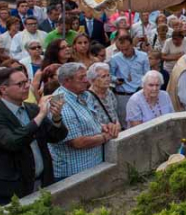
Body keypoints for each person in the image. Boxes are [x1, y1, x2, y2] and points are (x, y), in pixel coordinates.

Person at [0, 67, 67, 204]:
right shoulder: (3, 114)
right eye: (20, 84)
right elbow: (12, 142)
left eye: (27, 81)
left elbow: (56, 137)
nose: (26, 87)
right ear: (3, 89)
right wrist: (41, 115)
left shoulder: (31, 108)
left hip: (43, 181)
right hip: (14, 190)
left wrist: (56, 118)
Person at [50, 63, 117, 182]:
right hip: (74, 173)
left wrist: (105, 127)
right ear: (67, 81)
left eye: (86, 76)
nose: (86, 80)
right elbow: (76, 142)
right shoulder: (61, 103)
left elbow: (89, 123)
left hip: (92, 165)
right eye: (81, 78)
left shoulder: (84, 95)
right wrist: (105, 136)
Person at [109, 35, 150, 125]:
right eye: (121, 50)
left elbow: (147, 74)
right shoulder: (115, 58)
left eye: (126, 49)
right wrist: (116, 79)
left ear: (132, 45)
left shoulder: (143, 56)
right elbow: (109, 75)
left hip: (139, 93)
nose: (124, 52)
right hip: (123, 95)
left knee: (141, 121)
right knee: (125, 122)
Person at [86, 62, 120, 131]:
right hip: (100, 134)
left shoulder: (109, 92)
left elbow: (114, 112)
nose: (108, 79)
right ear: (93, 80)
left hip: (114, 131)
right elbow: (90, 122)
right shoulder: (87, 97)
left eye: (108, 75)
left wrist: (117, 124)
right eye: (103, 76)